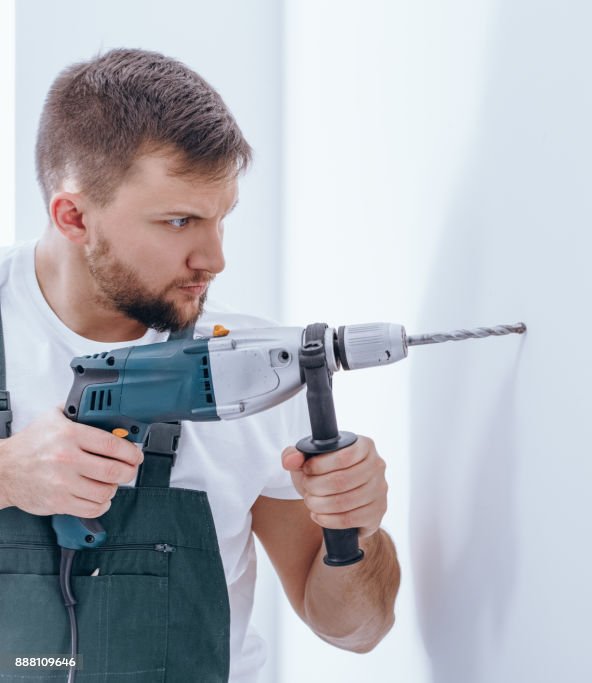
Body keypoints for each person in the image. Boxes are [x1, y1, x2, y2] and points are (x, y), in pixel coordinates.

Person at [0, 48, 399, 681]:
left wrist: (356, 532)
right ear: (73, 216)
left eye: (221, 218)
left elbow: (357, 630)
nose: (213, 258)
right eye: (179, 220)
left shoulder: (258, 372)